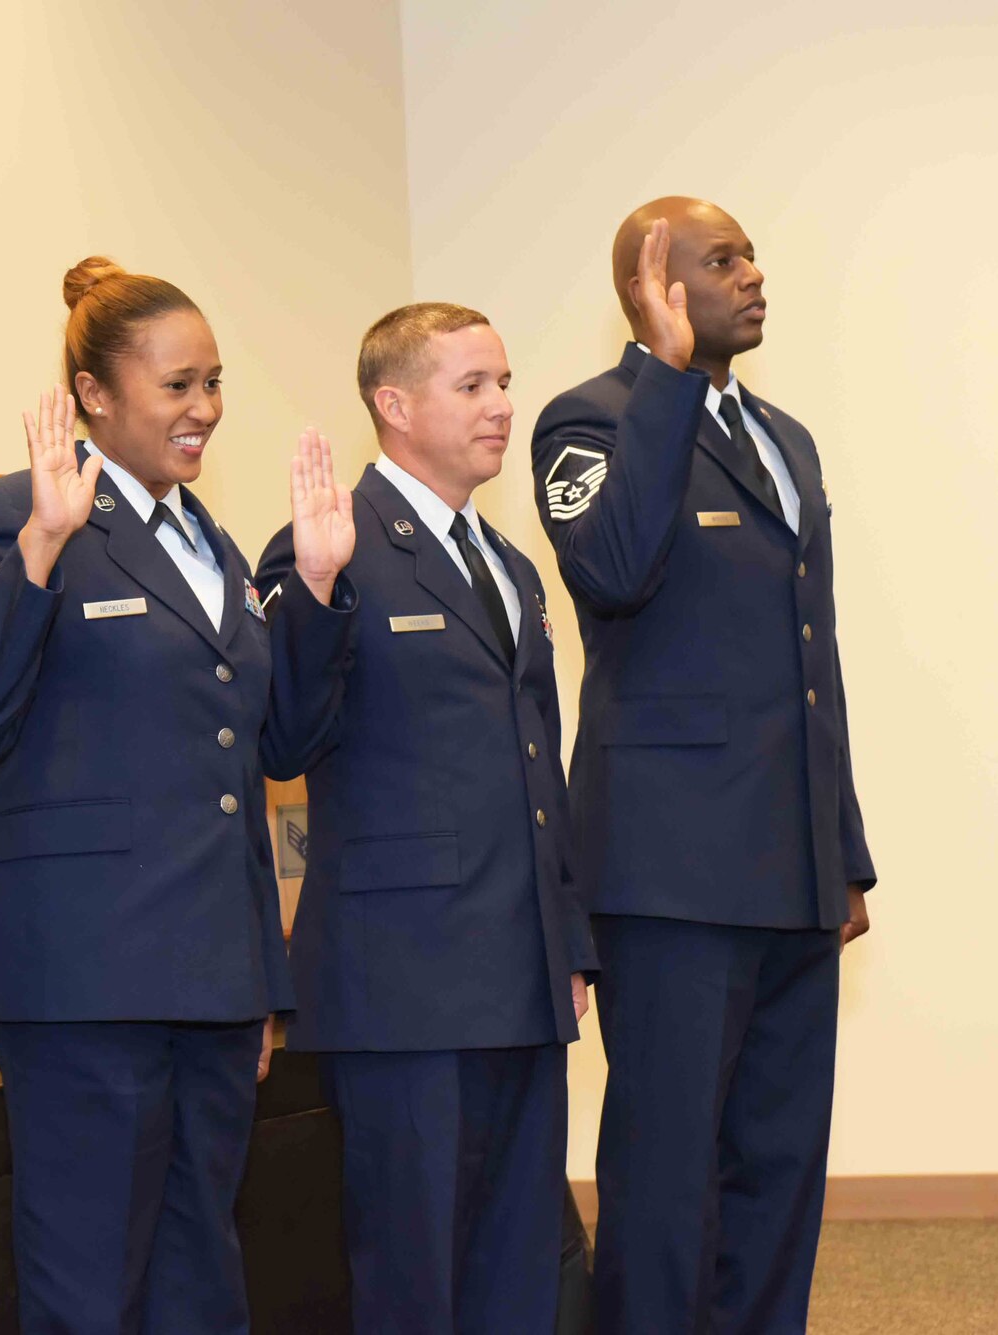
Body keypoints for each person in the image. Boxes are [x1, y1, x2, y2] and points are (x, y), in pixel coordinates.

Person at [0, 258, 295, 1335]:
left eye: (213, 382)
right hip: (82, 978)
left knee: (199, 1274)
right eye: (177, 385)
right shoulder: (7, 516)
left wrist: (255, 976)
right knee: (88, 1282)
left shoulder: (208, 542)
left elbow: (240, 767)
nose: (204, 410)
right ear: (91, 394)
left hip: (207, 978)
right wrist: (40, 549)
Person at [530, 198, 876, 1333]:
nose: (753, 276)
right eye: (721, 261)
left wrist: (845, 850)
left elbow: (808, 658)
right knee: (667, 1174)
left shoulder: (786, 438)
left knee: (778, 1169)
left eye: (750, 256)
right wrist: (668, 378)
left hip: (790, 869)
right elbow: (613, 571)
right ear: (653, 284)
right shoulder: (585, 424)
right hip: (668, 875)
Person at [257, 304, 595, 1333]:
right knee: (413, 1268)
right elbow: (280, 737)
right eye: (472, 387)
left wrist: (569, 939)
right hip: (403, 979)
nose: (501, 406)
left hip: (521, 969)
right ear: (391, 405)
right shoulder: (327, 546)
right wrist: (313, 587)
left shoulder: (507, 562)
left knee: (517, 1258)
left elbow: (541, 769)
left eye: (502, 382)